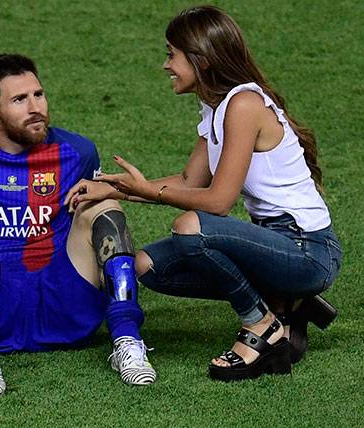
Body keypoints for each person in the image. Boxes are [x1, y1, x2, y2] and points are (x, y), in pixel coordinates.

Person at [67, 5, 342, 382]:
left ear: (201, 59)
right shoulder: (215, 107)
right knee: (146, 266)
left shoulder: (243, 105)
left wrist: (150, 191)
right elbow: (188, 180)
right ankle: (283, 299)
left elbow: (218, 201)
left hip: (307, 250)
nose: (166, 65)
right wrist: (115, 189)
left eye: (171, 54)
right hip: (275, 242)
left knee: (190, 227)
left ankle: (262, 322)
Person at [0, 53, 157, 397]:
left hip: (66, 302)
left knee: (103, 204)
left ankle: (127, 338)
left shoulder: (77, 151)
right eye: (19, 99)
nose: (35, 107)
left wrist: (123, 191)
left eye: (38, 94)